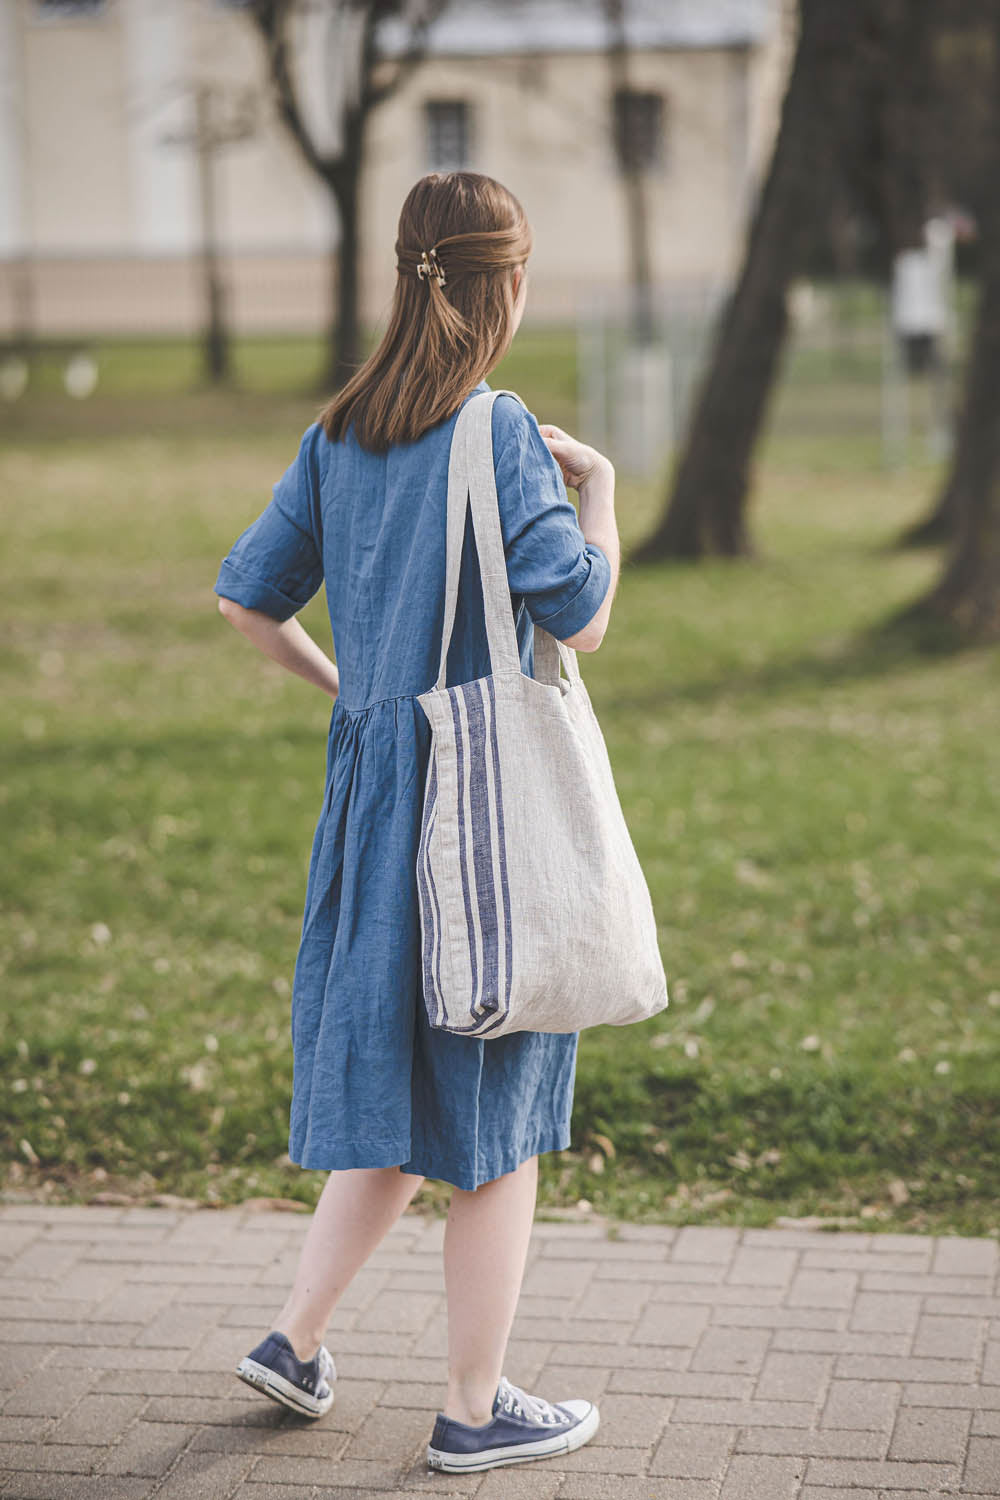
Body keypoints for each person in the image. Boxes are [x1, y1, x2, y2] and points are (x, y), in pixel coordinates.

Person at [212, 171, 619, 1474]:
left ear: (406, 276)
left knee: (396, 1087)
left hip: (374, 806)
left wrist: (354, 692)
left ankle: (293, 1340)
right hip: (482, 827)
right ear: (503, 287)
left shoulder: (338, 432)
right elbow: (579, 616)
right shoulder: (494, 431)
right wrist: (600, 492)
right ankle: (473, 1406)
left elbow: (246, 603)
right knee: (492, 1123)